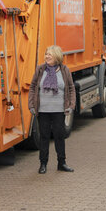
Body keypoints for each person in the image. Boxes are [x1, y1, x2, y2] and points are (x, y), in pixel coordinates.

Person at [28, 45, 76, 174]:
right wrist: (31, 105)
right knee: (44, 137)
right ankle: (43, 164)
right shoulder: (40, 69)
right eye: (46, 54)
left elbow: (71, 88)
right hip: (43, 111)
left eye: (50, 54)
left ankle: (62, 163)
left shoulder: (65, 70)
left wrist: (71, 105)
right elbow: (32, 87)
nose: (47, 57)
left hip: (59, 110)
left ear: (57, 56)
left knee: (59, 137)